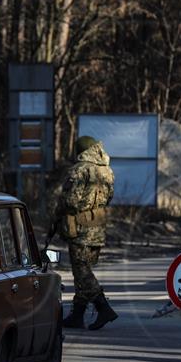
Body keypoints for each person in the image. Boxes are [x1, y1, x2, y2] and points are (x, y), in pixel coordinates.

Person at [53, 136, 118, 331]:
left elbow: (70, 201)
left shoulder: (79, 170)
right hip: (97, 226)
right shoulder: (107, 171)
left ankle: (103, 307)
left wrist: (57, 214)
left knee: (81, 271)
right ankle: (78, 314)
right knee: (83, 269)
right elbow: (110, 198)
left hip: (79, 227)